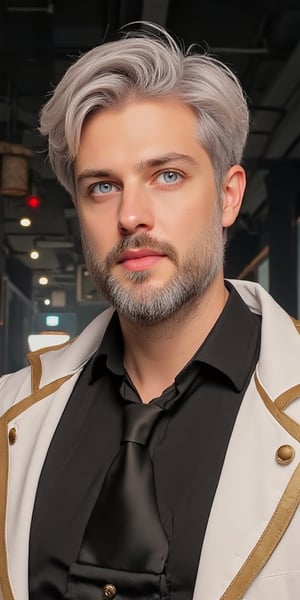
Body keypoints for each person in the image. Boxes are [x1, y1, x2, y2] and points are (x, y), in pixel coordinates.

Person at [0, 21, 299, 600]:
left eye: (167, 175)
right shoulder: (12, 410)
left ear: (229, 195)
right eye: (102, 187)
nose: (132, 215)